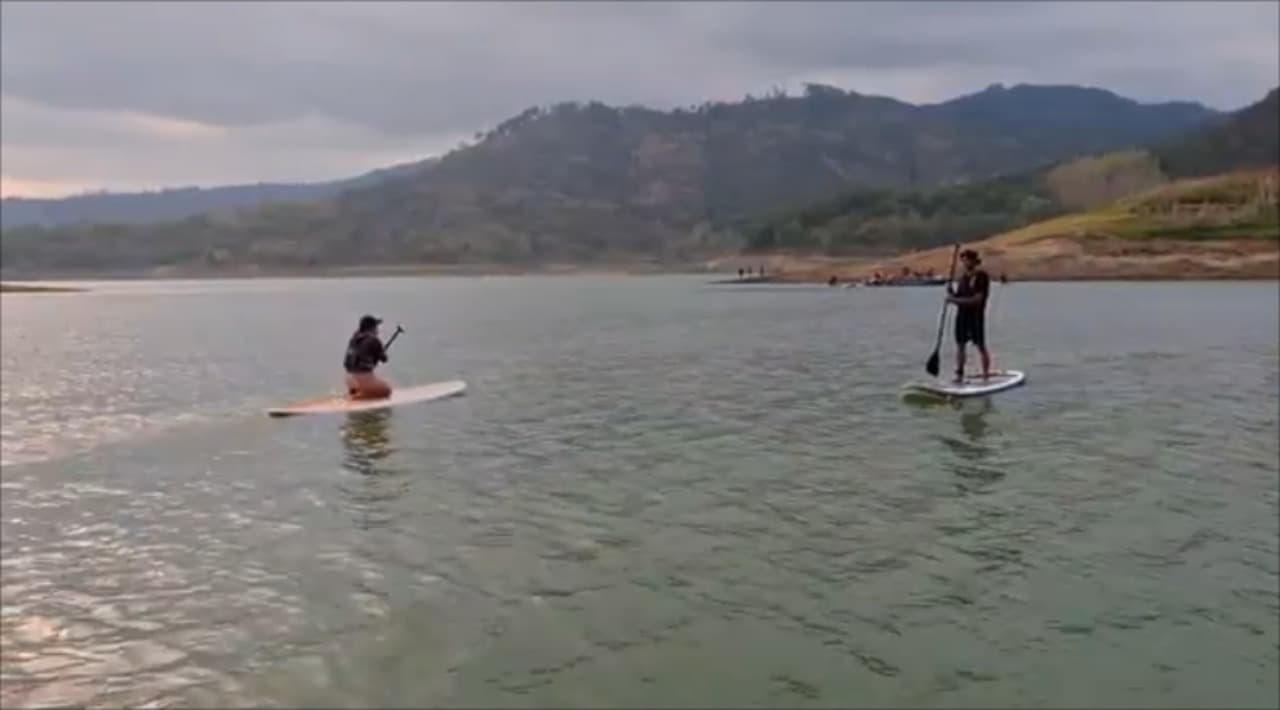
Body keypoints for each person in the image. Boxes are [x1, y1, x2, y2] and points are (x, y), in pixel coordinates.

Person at [947, 248, 992, 382]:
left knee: (980, 345)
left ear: (974, 261)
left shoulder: (981, 277)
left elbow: (977, 299)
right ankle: (959, 374)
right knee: (960, 344)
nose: (965, 263)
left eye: (967, 260)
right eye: (963, 260)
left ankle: (985, 375)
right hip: (962, 316)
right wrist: (952, 294)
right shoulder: (963, 278)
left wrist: (954, 300)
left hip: (976, 316)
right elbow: (960, 298)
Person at [343, 315, 393, 400]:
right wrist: (381, 352)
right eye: (376, 327)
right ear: (372, 328)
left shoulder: (353, 339)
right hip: (364, 379)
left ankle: (356, 391)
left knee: (369, 382)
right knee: (387, 390)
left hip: (349, 379)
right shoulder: (374, 340)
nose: (377, 330)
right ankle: (359, 396)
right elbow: (384, 359)